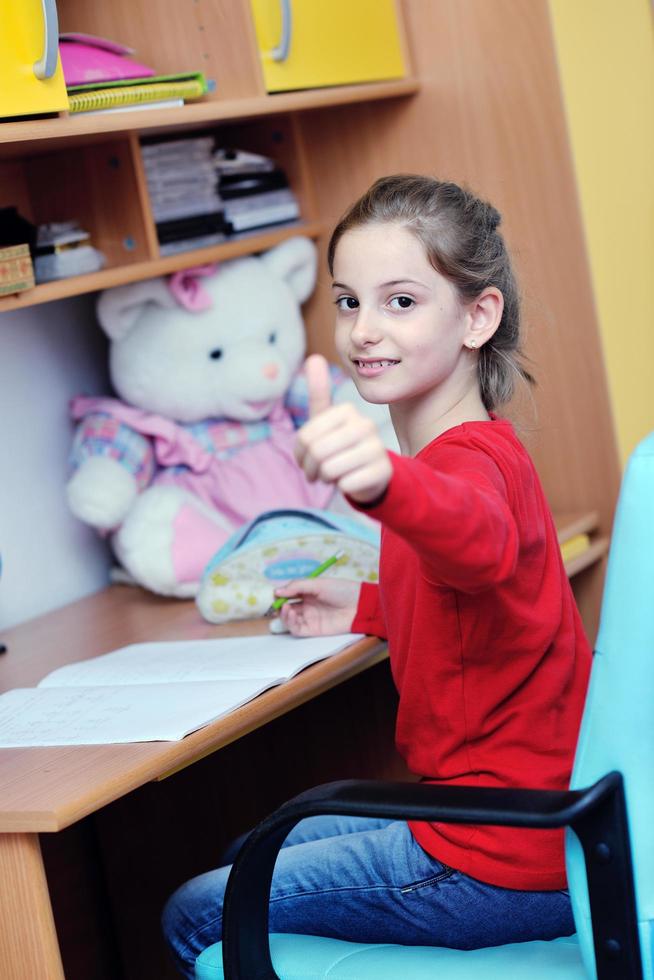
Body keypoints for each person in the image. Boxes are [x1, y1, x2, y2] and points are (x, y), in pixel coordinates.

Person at [162, 175, 591, 976]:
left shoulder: (459, 467)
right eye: (348, 301)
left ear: (477, 316)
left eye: (400, 301)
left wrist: (384, 483)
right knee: (245, 851)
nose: (363, 330)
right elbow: (478, 605)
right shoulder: (486, 449)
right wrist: (363, 605)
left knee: (197, 911)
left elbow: (478, 542)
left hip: (490, 856)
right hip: (538, 828)